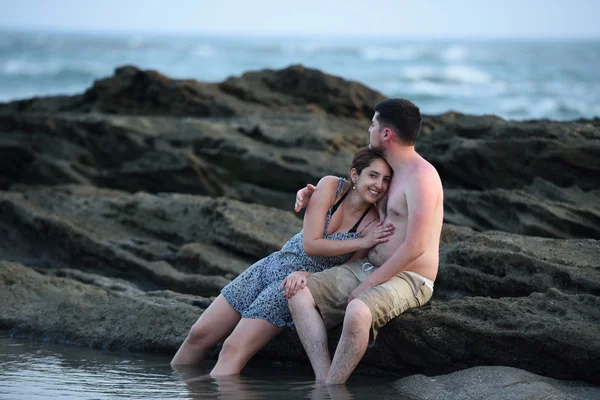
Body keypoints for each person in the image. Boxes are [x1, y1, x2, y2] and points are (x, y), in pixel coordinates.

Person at [171, 147, 395, 376]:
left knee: (231, 349)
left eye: (386, 179)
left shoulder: (373, 224)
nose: (379, 184)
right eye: (373, 175)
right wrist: (360, 242)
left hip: (291, 285)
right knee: (198, 334)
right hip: (271, 265)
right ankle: (166, 390)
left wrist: (310, 276)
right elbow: (311, 243)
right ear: (355, 175)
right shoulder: (331, 187)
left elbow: (348, 270)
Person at [289, 98, 444, 384]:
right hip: (366, 265)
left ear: (386, 134)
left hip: (411, 277)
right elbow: (357, 192)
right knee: (298, 294)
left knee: (358, 310)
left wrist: (367, 286)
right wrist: (313, 193)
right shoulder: (390, 172)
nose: (369, 129)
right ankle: (324, 379)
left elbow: (416, 246)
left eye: (373, 124)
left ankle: (332, 390)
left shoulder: (422, 178)